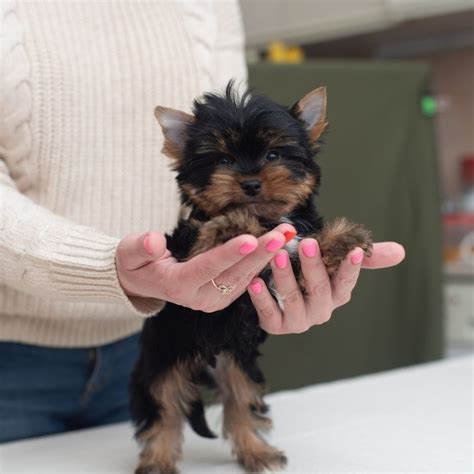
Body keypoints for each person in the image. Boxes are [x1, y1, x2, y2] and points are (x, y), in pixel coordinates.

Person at [0, 0, 404, 443]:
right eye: (229, 162)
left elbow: (230, 117)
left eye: (271, 157)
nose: (252, 179)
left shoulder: (211, 6)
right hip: (13, 354)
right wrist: (104, 264)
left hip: (144, 329)